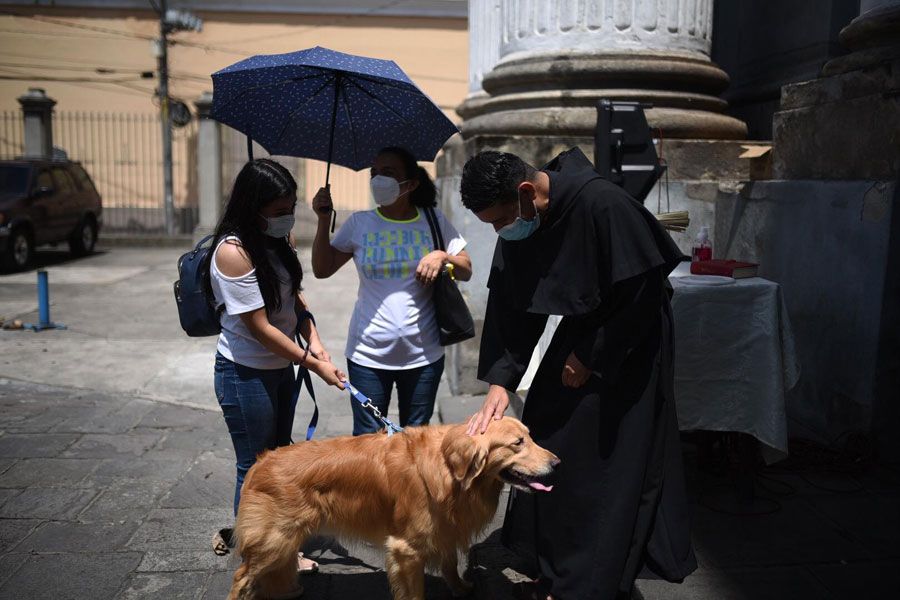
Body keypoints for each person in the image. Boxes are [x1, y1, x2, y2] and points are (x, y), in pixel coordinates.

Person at [460, 148, 696, 600]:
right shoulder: (525, 217)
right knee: (547, 428)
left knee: (604, 459)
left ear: (527, 192)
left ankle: (585, 582)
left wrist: (591, 353)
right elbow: (514, 301)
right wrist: (500, 381)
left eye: (498, 220)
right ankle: (553, 562)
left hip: (630, 339)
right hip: (583, 336)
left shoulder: (604, 204)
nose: (498, 230)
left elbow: (643, 289)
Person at [203, 158, 346, 585]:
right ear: (254, 206)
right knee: (255, 466)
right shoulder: (233, 253)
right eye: (280, 208)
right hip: (245, 373)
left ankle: (278, 546)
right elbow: (262, 329)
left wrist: (315, 341)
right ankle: (258, 557)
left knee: (280, 460)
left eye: (292, 205)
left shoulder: (276, 243)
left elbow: (295, 304)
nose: (288, 215)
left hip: (281, 369)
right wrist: (314, 364)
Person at [311, 146, 472, 435]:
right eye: (374, 173)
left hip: (424, 356)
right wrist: (324, 221)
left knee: (415, 443)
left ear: (410, 184)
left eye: (388, 173)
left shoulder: (433, 219)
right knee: (367, 446)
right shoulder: (360, 223)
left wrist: (442, 257)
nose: (377, 179)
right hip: (367, 356)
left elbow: (466, 269)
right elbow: (322, 270)